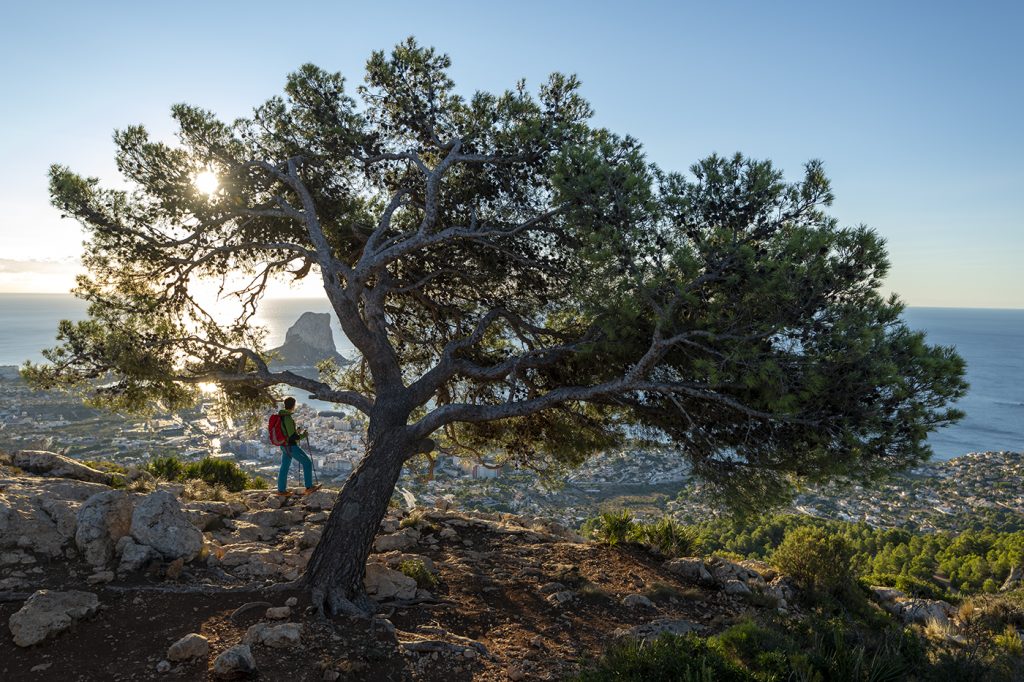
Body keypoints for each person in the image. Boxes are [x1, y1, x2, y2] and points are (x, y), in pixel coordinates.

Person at [276, 397, 320, 496]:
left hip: (283, 446)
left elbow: (287, 432)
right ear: (293, 405)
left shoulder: (281, 416)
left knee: (284, 466)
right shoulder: (287, 418)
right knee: (307, 463)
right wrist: (304, 435)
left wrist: (296, 431)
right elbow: (293, 437)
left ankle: (281, 490)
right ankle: (309, 487)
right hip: (291, 446)